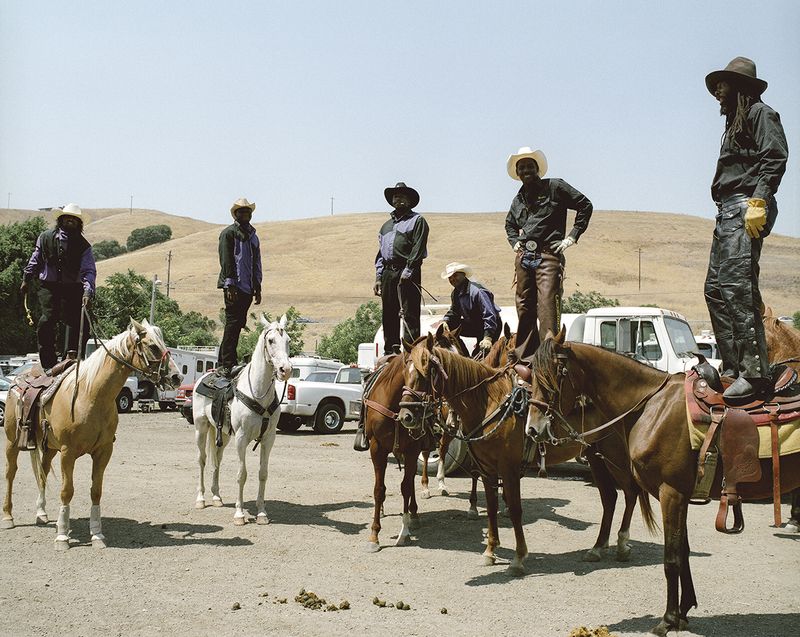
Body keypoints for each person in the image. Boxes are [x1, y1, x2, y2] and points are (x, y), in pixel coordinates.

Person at [703, 57, 788, 402]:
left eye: (721, 85)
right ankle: (733, 367)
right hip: (726, 212)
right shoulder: (736, 122)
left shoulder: (760, 114)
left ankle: (754, 374)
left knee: (737, 288)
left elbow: (775, 157)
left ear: (740, 87)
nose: (717, 92)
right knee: (715, 290)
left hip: (745, 207)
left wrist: (760, 200)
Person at [504, 147, 593, 361]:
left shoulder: (555, 187)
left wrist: (572, 237)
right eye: (521, 167)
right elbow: (509, 224)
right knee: (524, 305)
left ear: (538, 169)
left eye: (530, 166)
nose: (526, 170)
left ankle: (548, 355)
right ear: (517, 173)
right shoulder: (518, 199)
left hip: (549, 255)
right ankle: (525, 357)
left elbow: (585, 205)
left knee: (547, 303)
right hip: (524, 256)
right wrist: (515, 242)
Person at [20, 204, 96, 372]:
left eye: (74, 219)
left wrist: (88, 291)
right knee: (47, 319)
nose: (70, 220)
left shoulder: (84, 246)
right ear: (61, 220)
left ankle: (70, 357)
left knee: (78, 323)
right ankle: (48, 362)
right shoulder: (45, 237)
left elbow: (89, 271)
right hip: (49, 286)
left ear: (79, 224)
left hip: (73, 288)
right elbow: (35, 258)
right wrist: (26, 278)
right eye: (67, 217)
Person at [374, 182, 429, 355]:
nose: (399, 199)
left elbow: (418, 248)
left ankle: (411, 350)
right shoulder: (385, 226)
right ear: (392, 201)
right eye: (396, 196)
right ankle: (391, 350)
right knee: (388, 312)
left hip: (407, 270)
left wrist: (409, 269)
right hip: (388, 273)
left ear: (410, 200)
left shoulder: (417, 221)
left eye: (403, 196)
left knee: (409, 312)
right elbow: (381, 253)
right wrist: (378, 277)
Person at [217, 197, 262, 378]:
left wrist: (258, 286)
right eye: (242, 211)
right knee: (232, 323)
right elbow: (226, 260)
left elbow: (256, 262)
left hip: (247, 288)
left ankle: (225, 361)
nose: (246, 214)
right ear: (235, 214)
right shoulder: (228, 233)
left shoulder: (253, 237)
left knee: (237, 324)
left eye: (248, 211)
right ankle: (227, 364)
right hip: (234, 287)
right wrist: (230, 284)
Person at [440, 262, 502, 356]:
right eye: (450, 278)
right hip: (474, 324)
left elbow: (490, 315)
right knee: (450, 325)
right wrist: (445, 321)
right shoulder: (455, 293)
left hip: (490, 326)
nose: (452, 279)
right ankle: (464, 356)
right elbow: (454, 312)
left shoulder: (478, 291)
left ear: (463, 275)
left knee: (481, 355)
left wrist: (488, 337)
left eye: (455, 276)